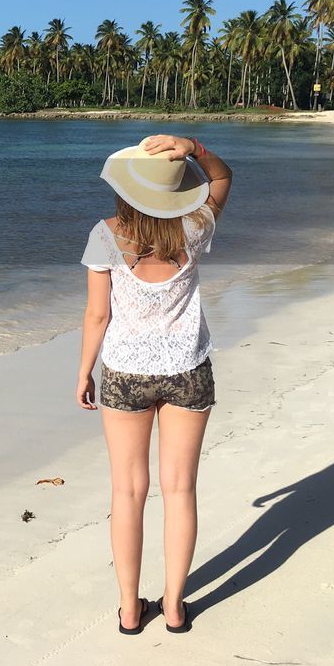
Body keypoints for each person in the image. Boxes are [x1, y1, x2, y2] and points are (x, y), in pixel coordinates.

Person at [77, 133, 233, 635]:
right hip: (188, 368)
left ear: (125, 189)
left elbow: (98, 314)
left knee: (127, 491)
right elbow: (223, 176)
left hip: (124, 373)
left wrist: (84, 371)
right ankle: (173, 607)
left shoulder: (105, 235)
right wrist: (192, 146)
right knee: (180, 488)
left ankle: (128, 608)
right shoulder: (194, 228)